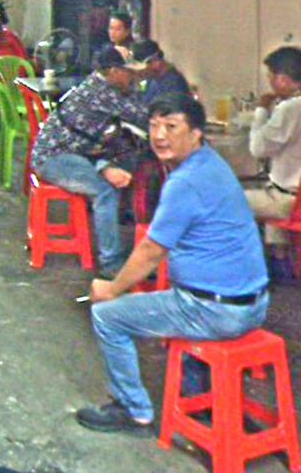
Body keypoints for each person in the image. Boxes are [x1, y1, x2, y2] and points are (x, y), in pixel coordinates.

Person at [75, 92, 269, 433]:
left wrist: (113, 288)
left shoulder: (186, 182)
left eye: (171, 126)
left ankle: (133, 411)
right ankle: (199, 401)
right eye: (154, 126)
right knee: (178, 298)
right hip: (253, 303)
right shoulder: (211, 163)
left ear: (196, 133)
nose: (159, 135)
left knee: (108, 316)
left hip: (216, 311)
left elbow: (152, 249)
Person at [31, 45, 149, 279]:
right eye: (129, 72)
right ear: (114, 71)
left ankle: (116, 229)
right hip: (54, 159)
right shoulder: (103, 92)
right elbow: (142, 116)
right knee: (106, 191)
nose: (133, 76)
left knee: (123, 161)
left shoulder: (98, 83)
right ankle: (111, 263)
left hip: (68, 152)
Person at [245, 46, 301, 278]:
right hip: (293, 194)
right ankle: (280, 257)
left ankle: (247, 268)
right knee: (269, 187)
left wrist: (261, 110)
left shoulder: (290, 108)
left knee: (227, 198)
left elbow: (258, 148)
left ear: (283, 80)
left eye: (270, 77)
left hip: (289, 200)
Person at [131, 39, 191, 104]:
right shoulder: (147, 81)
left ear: (155, 60)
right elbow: (141, 96)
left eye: (140, 67)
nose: (137, 72)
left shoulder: (173, 84)